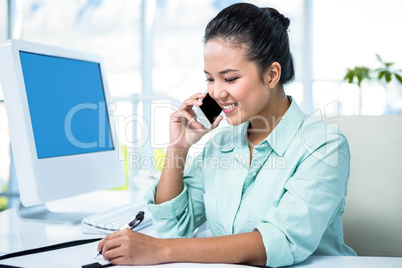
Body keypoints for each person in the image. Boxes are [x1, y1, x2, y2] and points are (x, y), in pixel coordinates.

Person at [97, 3, 356, 267]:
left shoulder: (323, 145)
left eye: (230, 79)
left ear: (271, 74)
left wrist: (162, 251)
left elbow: (280, 240)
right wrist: (178, 149)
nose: (217, 93)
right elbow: (174, 227)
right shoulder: (222, 141)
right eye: (210, 79)